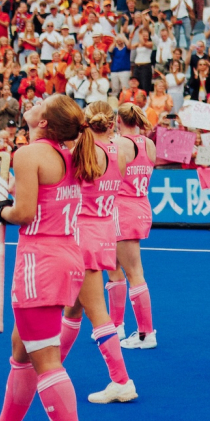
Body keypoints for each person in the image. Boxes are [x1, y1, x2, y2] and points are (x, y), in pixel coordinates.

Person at [0, 94, 103, 421]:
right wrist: (14, 196)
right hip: (65, 256)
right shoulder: (69, 154)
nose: (37, 102)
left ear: (44, 122)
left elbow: (24, 213)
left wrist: (0, 211)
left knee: (46, 359)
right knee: (22, 349)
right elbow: (43, 201)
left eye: (44, 103)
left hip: (40, 262)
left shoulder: (30, 154)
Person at [58, 101, 138, 404]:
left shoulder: (85, 153)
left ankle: (121, 380)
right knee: (73, 309)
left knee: (96, 311)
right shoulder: (121, 151)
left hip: (84, 233)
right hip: (105, 229)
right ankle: (52, 367)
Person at [113, 104, 158, 349]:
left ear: (118, 120)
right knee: (113, 267)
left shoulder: (119, 144)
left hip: (123, 209)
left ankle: (145, 333)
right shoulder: (148, 144)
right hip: (140, 204)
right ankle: (117, 325)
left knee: (134, 272)